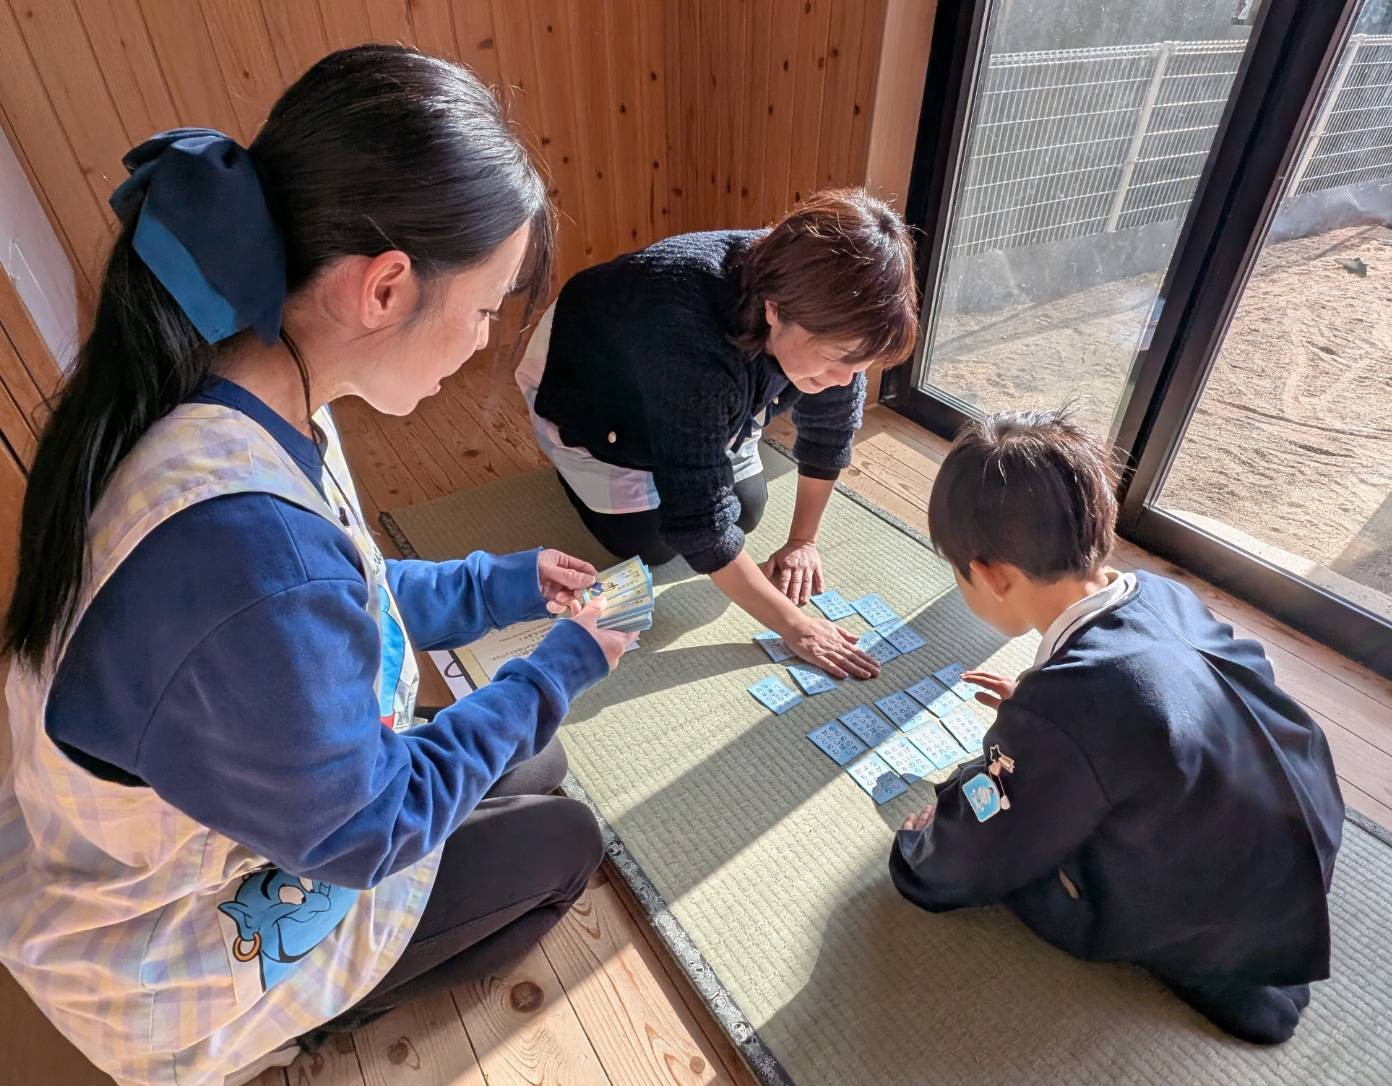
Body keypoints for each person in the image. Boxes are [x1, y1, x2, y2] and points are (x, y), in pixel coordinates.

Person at [0, 46, 632, 1086]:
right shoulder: (253, 561)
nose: (482, 342)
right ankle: (287, 1036)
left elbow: (353, 601)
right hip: (159, 948)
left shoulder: (247, 388)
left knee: (536, 762)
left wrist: (505, 585)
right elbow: (368, 828)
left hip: (198, 812)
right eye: (485, 308)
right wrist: (557, 668)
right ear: (386, 287)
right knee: (565, 838)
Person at [889, 410, 1344, 1046]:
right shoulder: (1160, 594)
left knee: (1025, 859)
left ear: (991, 574)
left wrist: (918, 853)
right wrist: (1051, 722)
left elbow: (988, 844)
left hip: (1218, 911)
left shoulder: (1064, 709)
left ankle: (1229, 976)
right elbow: (1148, 709)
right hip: (1297, 839)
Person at [517, 189, 919, 680]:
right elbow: (701, 525)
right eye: (836, 358)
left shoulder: (839, 320)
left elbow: (831, 429)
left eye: (862, 365)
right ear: (775, 310)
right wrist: (795, 626)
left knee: (747, 510)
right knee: (650, 543)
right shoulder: (690, 340)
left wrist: (802, 541)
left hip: (683, 386)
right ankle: (569, 464)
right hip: (592, 379)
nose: (845, 378)